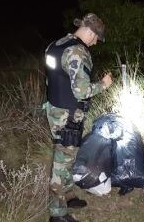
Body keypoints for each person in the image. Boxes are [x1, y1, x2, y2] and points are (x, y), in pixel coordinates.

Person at [43, 13, 113, 222]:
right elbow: (82, 91)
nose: (95, 43)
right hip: (68, 115)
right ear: (90, 32)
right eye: (96, 38)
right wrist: (104, 84)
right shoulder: (77, 51)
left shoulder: (55, 45)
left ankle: (69, 195)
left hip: (54, 109)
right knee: (61, 163)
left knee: (67, 157)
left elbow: (51, 79)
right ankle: (57, 214)